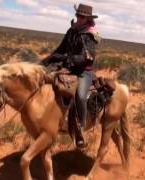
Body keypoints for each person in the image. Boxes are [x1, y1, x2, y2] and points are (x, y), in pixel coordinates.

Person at [41, 3, 100, 147]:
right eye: (78, 15)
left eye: (82, 16)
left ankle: (80, 129)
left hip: (84, 71)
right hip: (68, 68)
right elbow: (60, 49)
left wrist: (69, 59)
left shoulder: (90, 35)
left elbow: (88, 57)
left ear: (87, 18)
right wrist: (45, 62)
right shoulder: (71, 31)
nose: (79, 18)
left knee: (80, 96)